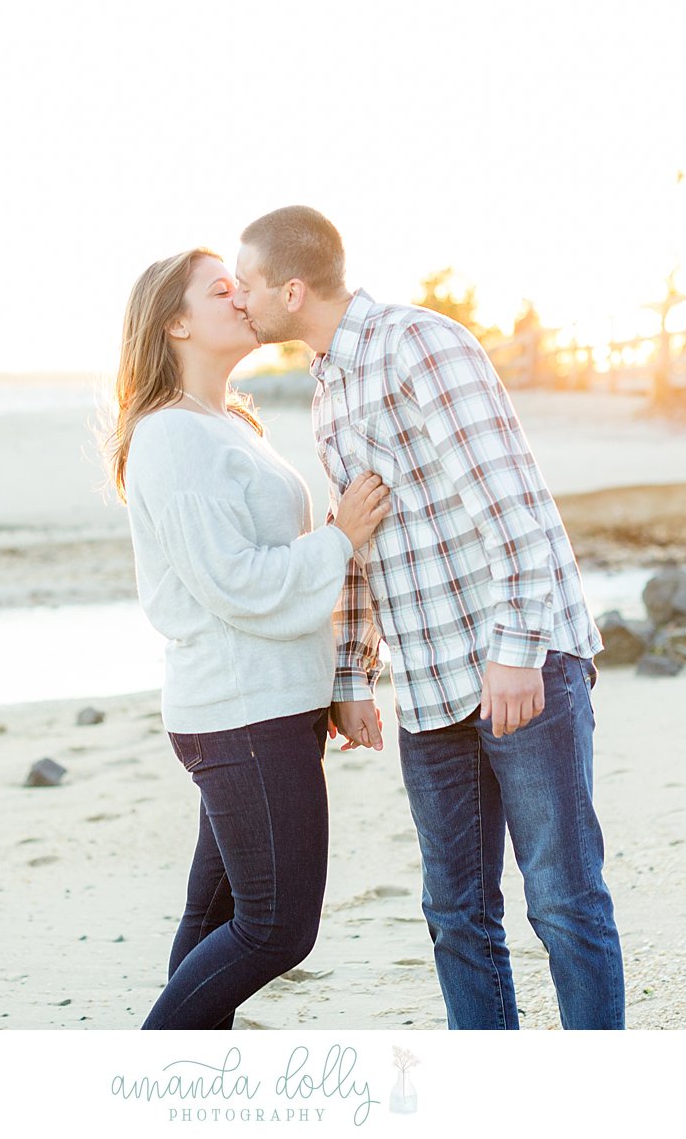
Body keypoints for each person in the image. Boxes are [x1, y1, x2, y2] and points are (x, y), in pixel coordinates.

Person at [231, 207, 626, 1030]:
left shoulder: (416, 345)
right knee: (454, 915)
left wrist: (516, 652)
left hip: (513, 664)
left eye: (250, 282)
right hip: (430, 681)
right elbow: (362, 539)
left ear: (292, 288)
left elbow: (512, 501)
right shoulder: (331, 383)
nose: (241, 298)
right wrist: (351, 678)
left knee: (562, 901)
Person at [106, 246, 391, 1030]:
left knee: (212, 924)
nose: (242, 298)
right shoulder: (172, 437)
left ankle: (182, 1091)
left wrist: (339, 681)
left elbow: (261, 576)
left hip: (267, 706)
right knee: (274, 931)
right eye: (220, 289)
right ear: (173, 322)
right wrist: (340, 538)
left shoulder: (225, 425)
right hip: (240, 714)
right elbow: (234, 582)